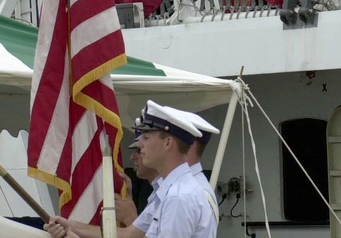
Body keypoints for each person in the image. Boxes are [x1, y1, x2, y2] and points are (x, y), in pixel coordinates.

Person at [47, 101, 216, 238]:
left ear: (168, 143)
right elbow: (131, 235)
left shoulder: (178, 197)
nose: (140, 145)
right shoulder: (171, 191)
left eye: (147, 137)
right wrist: (71, 226)